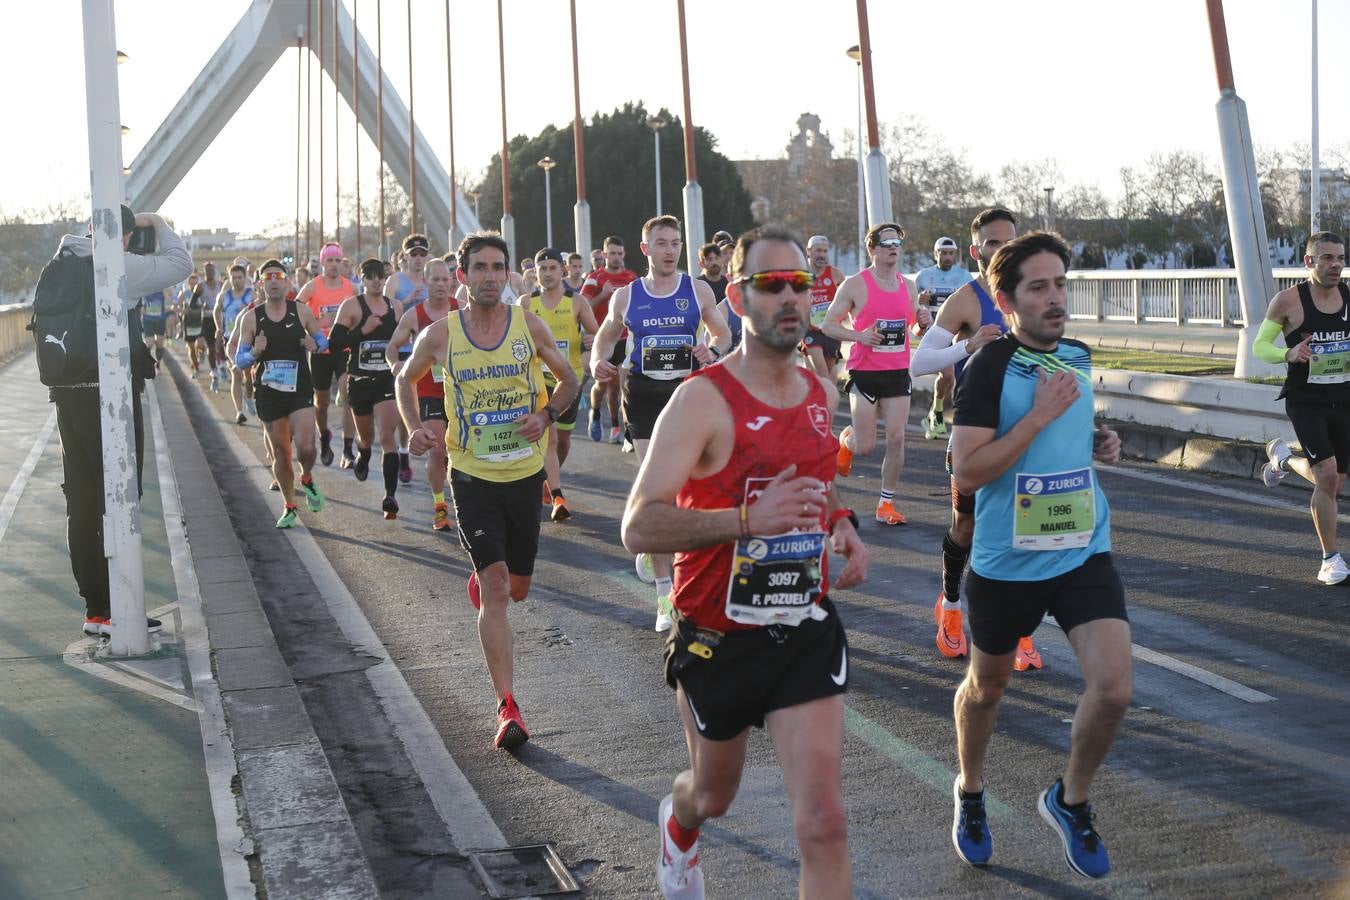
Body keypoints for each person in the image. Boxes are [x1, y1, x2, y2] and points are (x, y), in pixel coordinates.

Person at [622, 225, 867, 900]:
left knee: (825, 823)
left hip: (801, 625)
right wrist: (741, 522)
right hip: (716, 637)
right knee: (713, 794)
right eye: (771, 285)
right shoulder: (704, 399)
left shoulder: (819, 390)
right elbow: (638, 525)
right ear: (737, 296)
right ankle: (680, 824)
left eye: (801, 284)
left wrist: (841, 523)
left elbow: (816, 479)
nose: (791, 297)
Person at [948, 231, 1127, 879]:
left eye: (1060, 284)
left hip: (1082, 549)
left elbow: (1073, 432)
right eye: (1038, 287)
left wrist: (1101, 439)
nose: (1056, 299)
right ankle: (970, 791)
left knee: (1113, 690)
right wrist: (1035, 422)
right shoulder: (988, 368)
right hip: (1007, 562)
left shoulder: (1076, 354)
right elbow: (967, 472)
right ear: (1006, 299)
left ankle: (1069, 800)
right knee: (987, 689)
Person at [396, 231, 579, 750]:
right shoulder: (442, 334)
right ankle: (507, 705)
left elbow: (569, 381)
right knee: (497, 588)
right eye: (480, 268)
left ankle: (486, 581)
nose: (491, 276)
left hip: (524, 476)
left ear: (508, 275)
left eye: (498, 267)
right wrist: (414, 427)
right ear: (463, 277)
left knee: (516, 587)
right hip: (471, 474)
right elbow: (405, 380)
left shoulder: (528, 325)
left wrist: (545, 416)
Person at [41, 205, 192, 635]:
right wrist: (159, 222)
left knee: (82, 502)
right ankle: (121, 607)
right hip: (112, 398)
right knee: (123, 496)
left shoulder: (61, 260)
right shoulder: (118, 263)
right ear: (124, 235)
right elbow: (181, 263)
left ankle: (96, 609)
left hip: (69, 396)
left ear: (88, 229)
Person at [911, 208, 1041, 669]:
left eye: (1008, 240)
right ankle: (949, 609)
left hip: (1023, 434)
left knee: (1023, 533)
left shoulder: (1031, 294)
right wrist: (968, 346)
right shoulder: (966, 300)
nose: (1001, 249)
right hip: (972, 436)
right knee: (967, 529)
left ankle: (1020, 631)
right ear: (975, 250)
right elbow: (918, 364)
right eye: (991, 243)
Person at [591, 215, 732, 631]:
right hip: (645, 396)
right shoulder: (627, 296)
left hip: (688, 394)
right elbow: (605, 335)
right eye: (661, 243)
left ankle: (669, 560)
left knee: (698, 489)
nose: (669, 250)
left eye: (675, 243)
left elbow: (722, 335)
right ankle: (664, 596)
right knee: (658, 496)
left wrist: (713, 351)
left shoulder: (697, 289)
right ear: (645, 248)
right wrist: (598, 359)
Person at [1254, 230, 1350, 584]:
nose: (1336, 265)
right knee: (1326, 477)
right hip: (1306, 399)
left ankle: (1282, 460)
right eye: (1327, 258)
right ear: (1309, 261)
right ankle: (1330, 559)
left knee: (1335, 483)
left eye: (1340, 257)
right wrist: (1287, 353)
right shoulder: (1288, 301)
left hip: (1345, 398)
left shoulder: (1349, 296)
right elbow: (1259, 346)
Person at [821, 223, 931, 526]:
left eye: (898, 242)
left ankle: (886, 503)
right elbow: (829, 325)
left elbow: (912, 327)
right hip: (864, 371)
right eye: (887, 243)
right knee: (866, 445)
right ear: (872, 249)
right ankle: (847, 442)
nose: (894, 247)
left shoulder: (907, 285)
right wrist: (859, 336)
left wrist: (922, 322)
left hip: (897, 371)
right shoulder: (855, 285)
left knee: (897, 437)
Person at [232, 258, 327, 528]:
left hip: (299, 390)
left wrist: (314, 344)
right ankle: (289, 506)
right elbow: (239, 361)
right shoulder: (252, 317)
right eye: (268, 277)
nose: (274, 280)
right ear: (261, 284)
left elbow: (322, 340)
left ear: (286, 282)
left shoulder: (301, 311)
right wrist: (255, 352)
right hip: (269, 394)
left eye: (278, 276)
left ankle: (307, 477)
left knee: (307, 447)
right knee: (281, 454)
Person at [326, 258, 406, 518]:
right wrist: (363, 330)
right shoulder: (351, 306)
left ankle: (389, 496)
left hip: (385, 380)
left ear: (385, 277)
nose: (376, 280)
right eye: (370, 275)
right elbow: (335, 343)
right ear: (362, 279)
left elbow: (402, 343)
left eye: (380, 275)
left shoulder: (396, 307)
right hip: (359, 380)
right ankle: (362, 453)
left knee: (386, 436)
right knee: (368, 438)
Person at [528, 248, 600, 522]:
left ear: (563, 271)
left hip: (569, 380)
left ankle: (548, 479)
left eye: (552, 269)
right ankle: (558, 495)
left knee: (564, 440)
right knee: (551, 436)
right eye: (542, 269)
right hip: (538, 382)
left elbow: (595, 334)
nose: (547, 274)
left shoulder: (577, 302)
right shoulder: (528, 303)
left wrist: (591, 344)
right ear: (536, 273)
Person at [386, 257, 458, 531]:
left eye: (444, 279)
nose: (440, 284)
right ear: (425, 281)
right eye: (435, 279)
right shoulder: (415, 315)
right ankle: (440, 506)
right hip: (429, 390)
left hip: (462, 390)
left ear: (451, 281)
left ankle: (466, 501)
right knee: (437, 449)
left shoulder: (461, 310)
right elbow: (392, 346)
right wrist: (396, 363)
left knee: (461, 451)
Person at [296, 241, 358, 468]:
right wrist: (310, 331)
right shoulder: (312, 287)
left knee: (348, 396)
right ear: (322, 262)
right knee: (320, 404)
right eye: (329, 260)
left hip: (344, 349)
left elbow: (360, 312)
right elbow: (296, 312)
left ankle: (348, 450)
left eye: (337, 260)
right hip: (321, 350)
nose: (334, 264)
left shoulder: (351, 288)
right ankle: (324, 436)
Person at [915, 236, 976, 440]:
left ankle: (935, 412)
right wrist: (919, 301)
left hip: (958, 331)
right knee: (948, 375)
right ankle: (938, 413)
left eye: (951, 253)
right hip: (935, 332)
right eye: (943, 253)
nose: (948, 257)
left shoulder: (964, 276)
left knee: (952, 378)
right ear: (936, 254)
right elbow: (911, 306)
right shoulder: (924, 276)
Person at [582, 235, 638, 444]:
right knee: (603, 385)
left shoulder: (631, 277)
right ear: (604, 254)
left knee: (623, 386)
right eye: (611, 253)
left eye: (619, 254)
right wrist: (603, 296)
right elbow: (582, 307)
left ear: (624, 254)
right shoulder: (595, 277)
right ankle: (595, 412)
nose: (616, 257)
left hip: (625, 339)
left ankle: (621, 429)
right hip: (603, 340)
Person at [214, 263, 257, 424]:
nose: (237, 280)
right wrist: (219, 327)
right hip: (230, 340)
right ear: (229, 278)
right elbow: (216, 310)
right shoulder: (225, 296)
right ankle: (239, 411)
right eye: (234, 277)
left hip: (248, 340)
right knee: (236, 372)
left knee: (248, 374)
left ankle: (250, 398)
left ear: (245, 278)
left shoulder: (251, 295)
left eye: (240, 277)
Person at [802, 234, 847, 382]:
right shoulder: (800, 274)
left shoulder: (835, 274)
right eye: (818, 251)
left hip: (831, 330)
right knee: (822, 374)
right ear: (808, 251)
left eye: (825, 251)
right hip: (810, 331)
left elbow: (849, 299)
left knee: (827, 376)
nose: (822, 255)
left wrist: (845, 313)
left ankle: (826, 403)